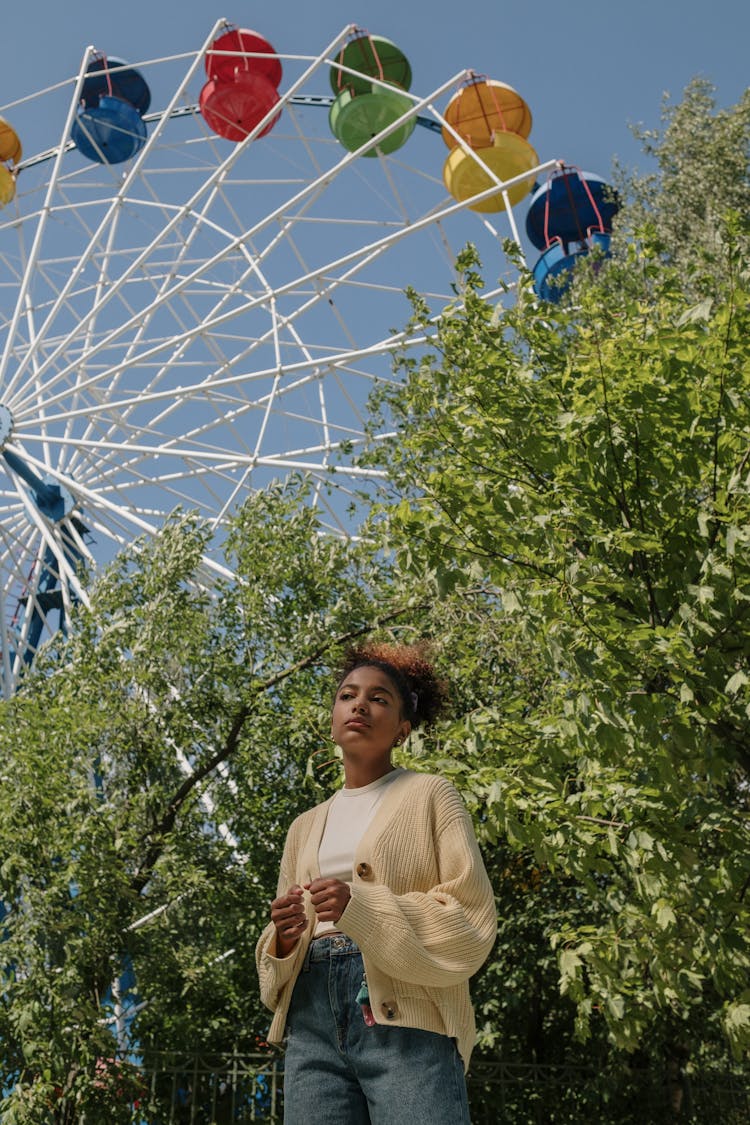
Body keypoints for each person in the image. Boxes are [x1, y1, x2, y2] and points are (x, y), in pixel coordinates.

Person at [255, 642, 497, 1125]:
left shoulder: (431, 795)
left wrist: (358, 906)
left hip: (408, 1016)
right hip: (311, 1022)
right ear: (333, 717)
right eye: (348, 695)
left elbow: (471, 920)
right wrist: (283, 936)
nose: (360, 704)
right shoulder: (303, 826)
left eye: (379, 698)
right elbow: (275, 970)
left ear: (403, 729)